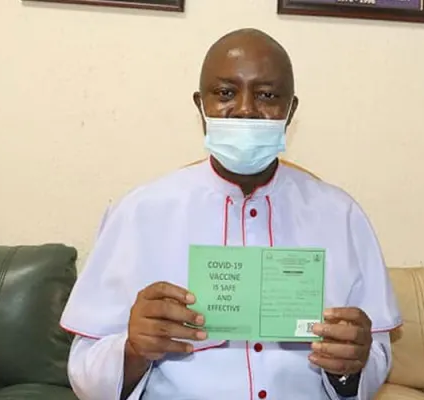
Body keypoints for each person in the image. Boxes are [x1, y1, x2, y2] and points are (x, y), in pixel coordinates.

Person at [60, 28, 401, 400]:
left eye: (267, 95)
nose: (244, 109)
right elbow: (84, 373)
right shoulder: (139, 213)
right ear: (200, 105)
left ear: (291, 109)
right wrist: (133, 350)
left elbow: (377, 355)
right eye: (225, 93)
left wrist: (351, 367)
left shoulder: (341, 217)